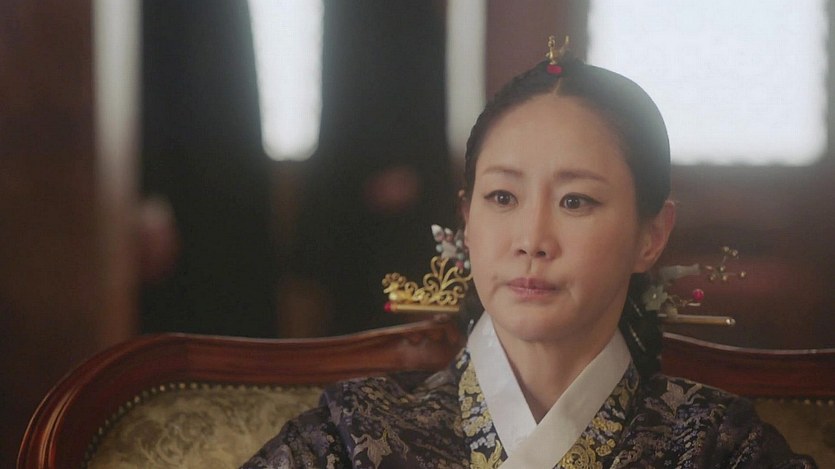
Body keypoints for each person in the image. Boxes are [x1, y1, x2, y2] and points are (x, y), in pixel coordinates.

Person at [241, 39, 817, 468]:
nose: (532, 239)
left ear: (652, 235)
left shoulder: (717, 447)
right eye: (502, 197)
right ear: (467, 221)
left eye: (575, 201)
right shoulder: (351, 436)